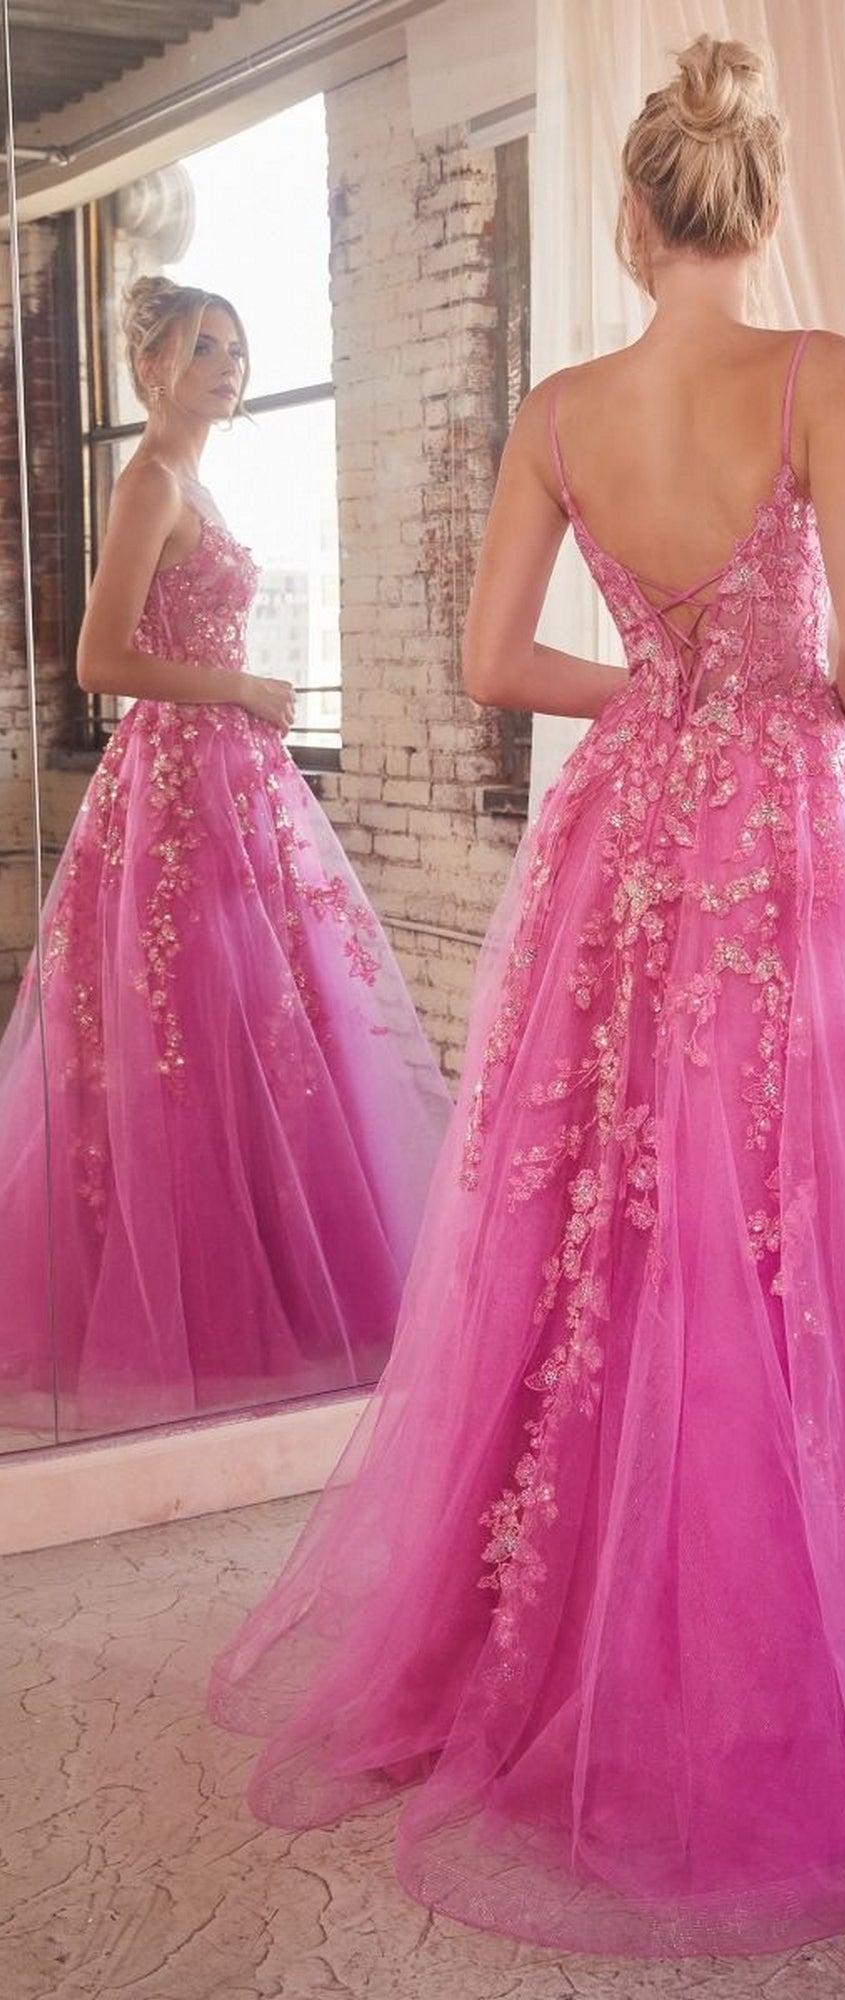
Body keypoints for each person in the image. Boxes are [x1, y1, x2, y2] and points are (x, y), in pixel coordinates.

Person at [210, 40, 845, 1976]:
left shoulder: (563, 404)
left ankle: (585, 1624)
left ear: (633, 212)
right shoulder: (824, 369)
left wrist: (654, 696)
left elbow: (500, 661)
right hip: (790, 827)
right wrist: (772, 701)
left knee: (607, 1204)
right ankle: (824, 1623)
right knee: (832, 1197)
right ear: (752, 210)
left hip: (627, 835)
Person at [0, 276, 449, 1439]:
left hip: (227, 781)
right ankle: (185, 1310)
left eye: (239, 348)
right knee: (185, 1025)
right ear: (152, 367)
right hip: (182, 782)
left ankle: (270, 1286)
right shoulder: (148, 478)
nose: (229, 365)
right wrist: (243, 689)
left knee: (253, 1022)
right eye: (206, 347)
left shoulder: (191, 479)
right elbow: (100, 657)